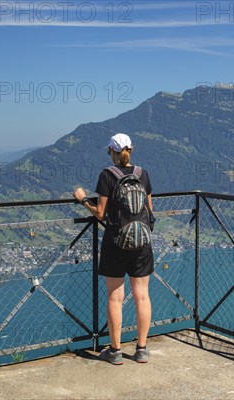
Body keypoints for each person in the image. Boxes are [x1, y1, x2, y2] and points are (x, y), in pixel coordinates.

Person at [73, 133, 154, 365]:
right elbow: (149, 210)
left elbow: (100, 213)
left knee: (115, 298)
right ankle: (141, 349)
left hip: (116, 243)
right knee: (142, 296)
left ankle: (116, 351)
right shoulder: (143, 174)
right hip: (141, 243)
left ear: (111, 151)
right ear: (132, 150)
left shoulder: (107, 175)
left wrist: (82, 199)